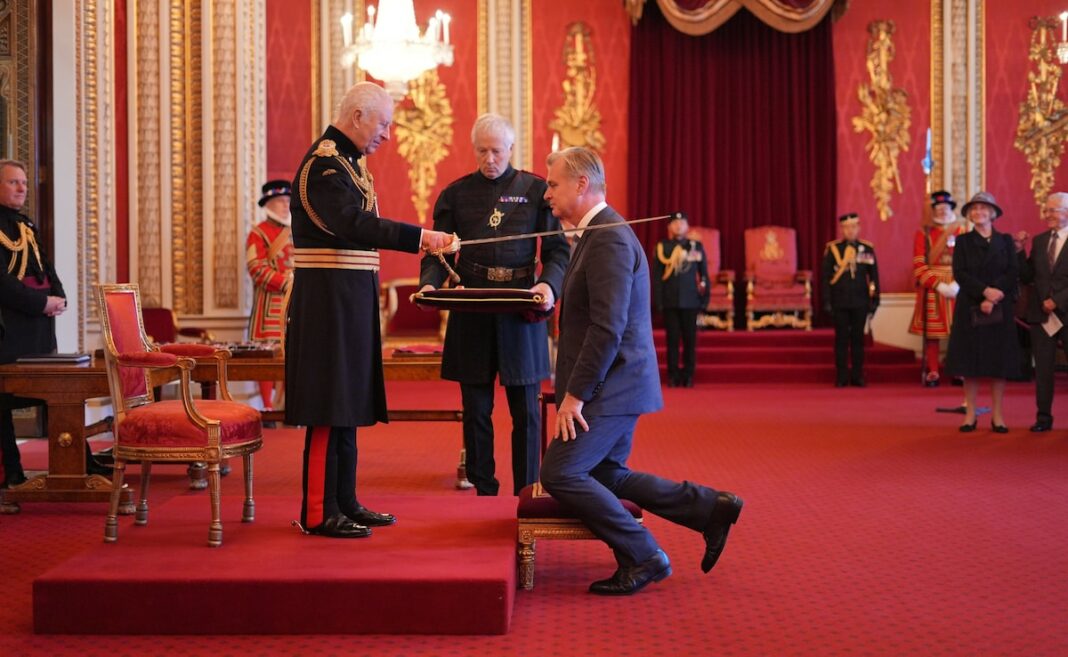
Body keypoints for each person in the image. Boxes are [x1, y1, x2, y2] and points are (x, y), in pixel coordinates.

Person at [539, 147, 743, 596]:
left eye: (552, 184)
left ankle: (644, 554)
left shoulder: (608, 236)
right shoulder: (596, 234)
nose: (546, 192)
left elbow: (607, 327)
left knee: (559, 474)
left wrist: (574, 396)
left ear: (580, 184)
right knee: (607, 474)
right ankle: (709, 508)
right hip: (612, 384)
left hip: (611, 386)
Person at [285, 82, 454, 538]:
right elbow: (351, 224)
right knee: (328, 404)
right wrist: (420, 237)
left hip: (350, 297)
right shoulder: (323, 165)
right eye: (383, 124)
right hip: (327, 303)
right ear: (358, 115)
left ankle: (344, 500)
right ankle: (319, 511)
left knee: (348, 401)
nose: (388, 135)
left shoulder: (349, 162)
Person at [419, 114, 569, 497]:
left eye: (497, 151)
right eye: (482, 151)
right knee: (476, 409)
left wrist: (548, 285)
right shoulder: (455, 194)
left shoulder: (537, 190)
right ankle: (484, 487)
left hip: (521, 305)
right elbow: (436, 254)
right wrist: (428, 286)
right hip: (473, 304)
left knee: (527, 413)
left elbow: (557, 253)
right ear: (474, 150)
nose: (490, 158)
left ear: (511, 149)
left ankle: (528, 489)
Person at [0, 160, 106, 486]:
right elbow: (2, 283)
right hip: (8, 334)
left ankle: (78, 466)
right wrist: (40, 303)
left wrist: (58, 297)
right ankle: (12, 474)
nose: (22, 188)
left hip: (39, 332)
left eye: (24, 182)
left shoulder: (26, 224)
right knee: (3, 404)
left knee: (62, 391)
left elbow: (45, 267)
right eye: (13, 182)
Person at [945, 192, 1020, 433]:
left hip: (1000, 306)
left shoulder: (1006, 241)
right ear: (969, 214)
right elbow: (961, 273)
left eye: (984, 208)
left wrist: (995, 294)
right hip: (971, 306)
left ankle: (998, 416)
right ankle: (970, 414)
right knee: (971, 364)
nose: (979, 212)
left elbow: (1012, 272)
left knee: (998, 365)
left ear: (993, 213)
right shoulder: (963, 242)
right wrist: (984, 292)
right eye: (974, 209)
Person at [1016, 191, 1068, 433]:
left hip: (1065, 312)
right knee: (1044, 370)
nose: (1048, 215)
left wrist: (1057, 300)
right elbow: (1027, 276)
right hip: (1041, 316)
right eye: (1046, 210)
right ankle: (1043, 418)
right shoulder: (1038, 241)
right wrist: (1019, 250)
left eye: (1053, 210)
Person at [246, 179, 294, 414]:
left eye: (288, 201)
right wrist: (284, 282)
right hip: (269, 307)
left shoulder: (298, 233)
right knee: (266, 356)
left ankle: (288, 406)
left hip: (295, 304)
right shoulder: (258, 233)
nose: (286, 206)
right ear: (269, 204)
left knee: (292, 354)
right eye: (280, 201)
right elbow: (256, 267)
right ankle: (267, 407)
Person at [909, 191, 964, 386]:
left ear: (951, 209)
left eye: (945, 208)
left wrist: (958, 284)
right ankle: (933, 371)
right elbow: (919, 265)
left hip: (959, 286)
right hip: (933, 288)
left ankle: (958, 370)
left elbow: (970, 263)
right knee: (932, 334)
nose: (942, 212)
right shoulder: (923, 233)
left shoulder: (962, 232)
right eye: (938, 209)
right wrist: (939, 285)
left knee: (960, 332)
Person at [821, 213, 880, 387]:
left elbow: (874, 277)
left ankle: (857, 375)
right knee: (841, 339)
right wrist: (826, 300)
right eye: (846, 227)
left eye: (854, 226)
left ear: (859, 228)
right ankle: (841, 376)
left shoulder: (867, 248)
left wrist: (875, 299)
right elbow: (825, 277)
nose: (850, 230)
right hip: (839, 300)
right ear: (842, 229)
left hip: (860, 301)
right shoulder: (832, 249)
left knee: (857, 340)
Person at [652, 212, 709, 388]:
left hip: (691, 301)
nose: (678, 226)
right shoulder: (663, 247)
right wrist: (658, 302)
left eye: (682, 222)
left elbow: (704, 275)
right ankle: (673, 375)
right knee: (672, 341)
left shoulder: (695, 246)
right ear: (669, 227)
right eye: (675, 223)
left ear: (687, 226)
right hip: (670, 302)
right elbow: (657, 277)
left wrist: (704, 300)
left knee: (690, 341)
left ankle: (688, 374)